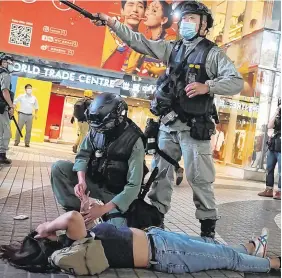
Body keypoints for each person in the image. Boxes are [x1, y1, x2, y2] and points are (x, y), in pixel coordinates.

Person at [92, 0, 244, 237]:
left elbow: (236, 81)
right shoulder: (172, 48)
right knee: (160, 176)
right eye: (184, 19)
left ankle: (207, 231)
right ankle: (155, 223)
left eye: (192, 19)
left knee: (199, 179)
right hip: (168, 125)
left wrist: (208, 86)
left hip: (194, 130)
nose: (186, 23)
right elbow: (139, 42)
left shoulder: (212, 53)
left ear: (204, 25)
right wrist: (112, 22)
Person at [0, 210, 280, 275]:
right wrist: (46, 226)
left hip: (159, 239)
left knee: (220, 250)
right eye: (45, 236)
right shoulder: (69, 246)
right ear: (46, 242)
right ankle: (272, 264)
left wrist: (93, 209)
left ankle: (251, 249)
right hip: (167, 253)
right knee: (227, 260)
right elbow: (72, 217)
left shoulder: (79, 241)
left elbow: (86, 220)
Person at [51, 92, 146, 228]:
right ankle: (77, 214)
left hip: (116, 193)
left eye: (103, 127)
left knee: (116, 234)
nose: (99, 131)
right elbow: (83, 155)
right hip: (95, 182)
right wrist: (81, 180)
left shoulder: (135, 141)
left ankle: (109, 216)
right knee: (58, 167)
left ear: (119, 118)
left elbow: (134, 186)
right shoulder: (97, 129)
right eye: (96, 128)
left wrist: (102, 210)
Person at [101, 0, 146, 74]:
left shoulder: (143, 46)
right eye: (131, 4)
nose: (135, 10)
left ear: (144, 14)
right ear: (122, 10)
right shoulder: (107, 30)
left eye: (140, 6)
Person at [138, 0, 175, 78]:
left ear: (164, 20)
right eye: (147, 9)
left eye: (154, 10)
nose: (147, 13)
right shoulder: (148, 41)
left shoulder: (170, 41)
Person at [258, 102, 281, 200]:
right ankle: (269, 189)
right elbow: (269, 125)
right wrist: (276, 111)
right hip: (273, 146)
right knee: (269, 168)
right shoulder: (278, 117)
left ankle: (280, 191)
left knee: (281, 171)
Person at [0, 53, 14, 164]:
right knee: (5, 131)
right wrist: (11, 105)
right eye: (10, 63)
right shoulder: (5, 74)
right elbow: (5, 91)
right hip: (1, 107)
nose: (11, 65)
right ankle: (1, 155)